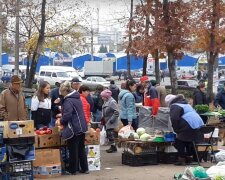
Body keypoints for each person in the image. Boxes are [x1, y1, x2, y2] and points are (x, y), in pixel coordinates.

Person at [58, 81, 88, 175]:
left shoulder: (68, 100)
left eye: (62, 93)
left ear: (65, 91)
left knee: (73, 149)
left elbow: (67, 115)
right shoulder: (77, 97)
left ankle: (73, 170)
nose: (62, 95)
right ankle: (84, 168)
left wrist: (61, 121)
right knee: (81, 148)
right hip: (82, 126)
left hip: (74, 127)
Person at [165, 94, 204, 165]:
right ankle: (191, 157)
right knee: (189, 140)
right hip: (198, 123)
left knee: (179, 141)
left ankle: (181, 159)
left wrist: (176, 130)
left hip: (189, 123)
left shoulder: (174, 105)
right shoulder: (185, 104)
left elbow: (174, 119)